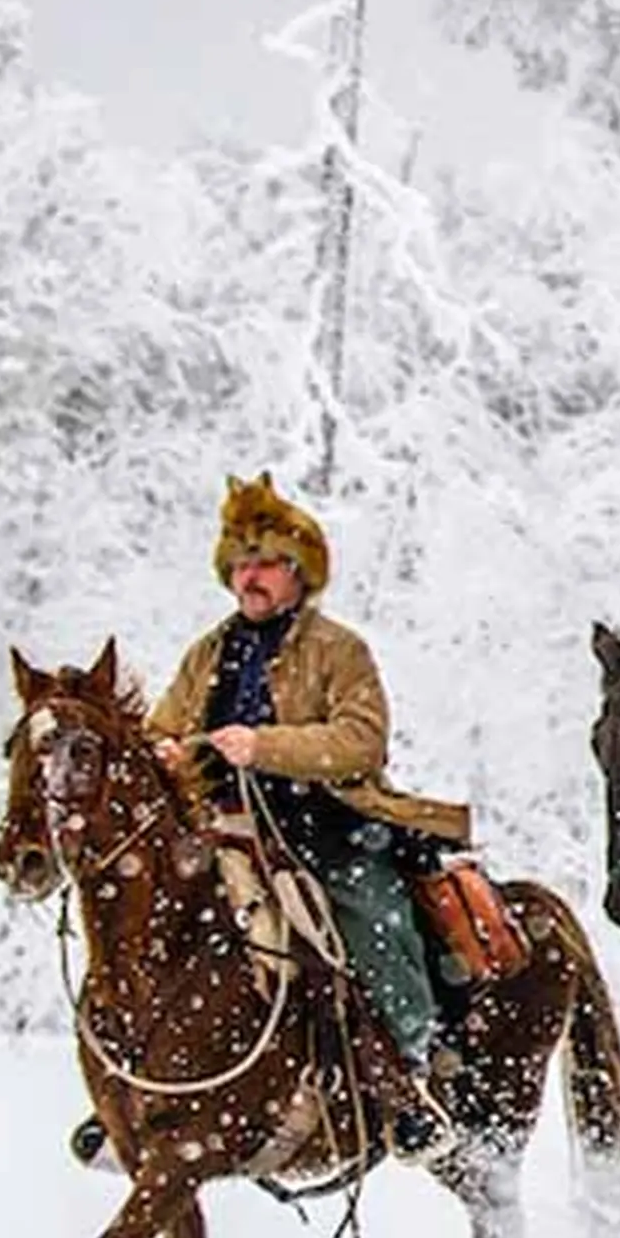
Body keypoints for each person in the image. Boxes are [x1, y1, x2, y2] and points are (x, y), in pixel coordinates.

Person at [143, 474, 480, 1152]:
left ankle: (409, 1068)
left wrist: (265, 746)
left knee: (372, 913)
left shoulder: (339, 650)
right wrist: (168, 752)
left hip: (323, 819)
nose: (249, 577)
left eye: (264, 562)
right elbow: (164, 728)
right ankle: (148, 1077)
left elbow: (361, 741)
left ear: (299, 572)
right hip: (222, 828)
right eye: (239, 564)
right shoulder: (205, 653)